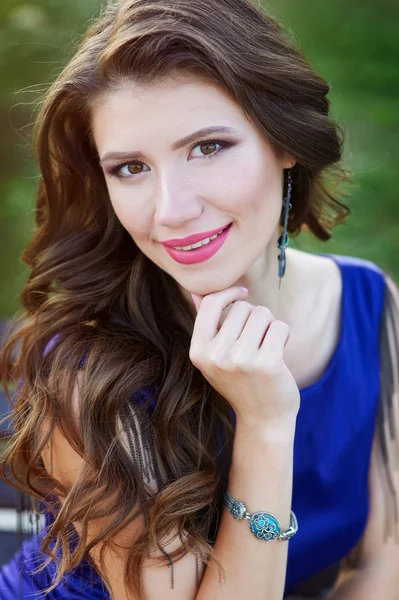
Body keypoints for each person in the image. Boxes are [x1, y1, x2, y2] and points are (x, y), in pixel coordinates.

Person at [0, 0, 398, 598]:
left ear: (284, 141)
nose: (172, 210)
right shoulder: (84, 372)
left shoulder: (371, 303)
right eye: (131, 167)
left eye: (208, 147)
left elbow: (383, 559)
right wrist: (264, 424)